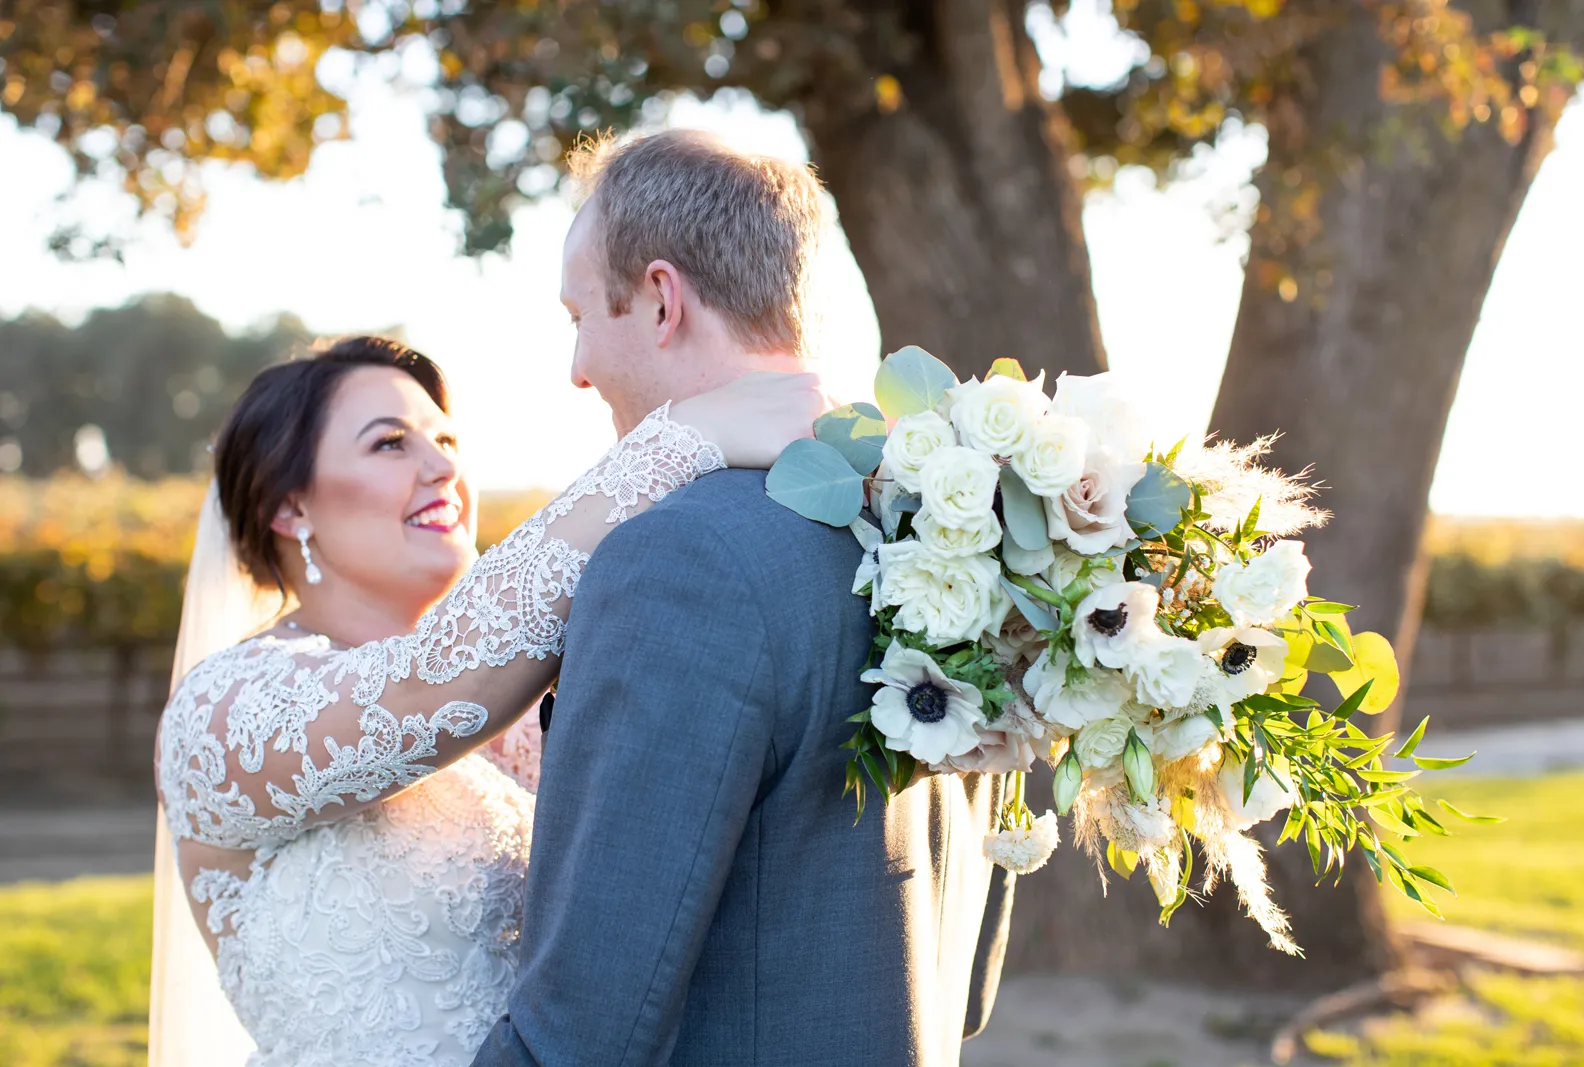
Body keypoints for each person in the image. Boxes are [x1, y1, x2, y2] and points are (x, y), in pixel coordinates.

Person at [471, 130, 1014, 1067]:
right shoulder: (952, 530)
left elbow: (581, 1033)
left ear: (660, 300)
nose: (575, 369)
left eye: (577, 318)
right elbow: (966, 979)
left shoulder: (679, 559)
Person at [151, 334, 824, 1066]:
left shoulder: (531, 693)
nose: (444, 468)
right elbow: (431, 687)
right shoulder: (222, 712)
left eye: (445, 440)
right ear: (289, 506)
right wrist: (685, 438)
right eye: (390, 445)